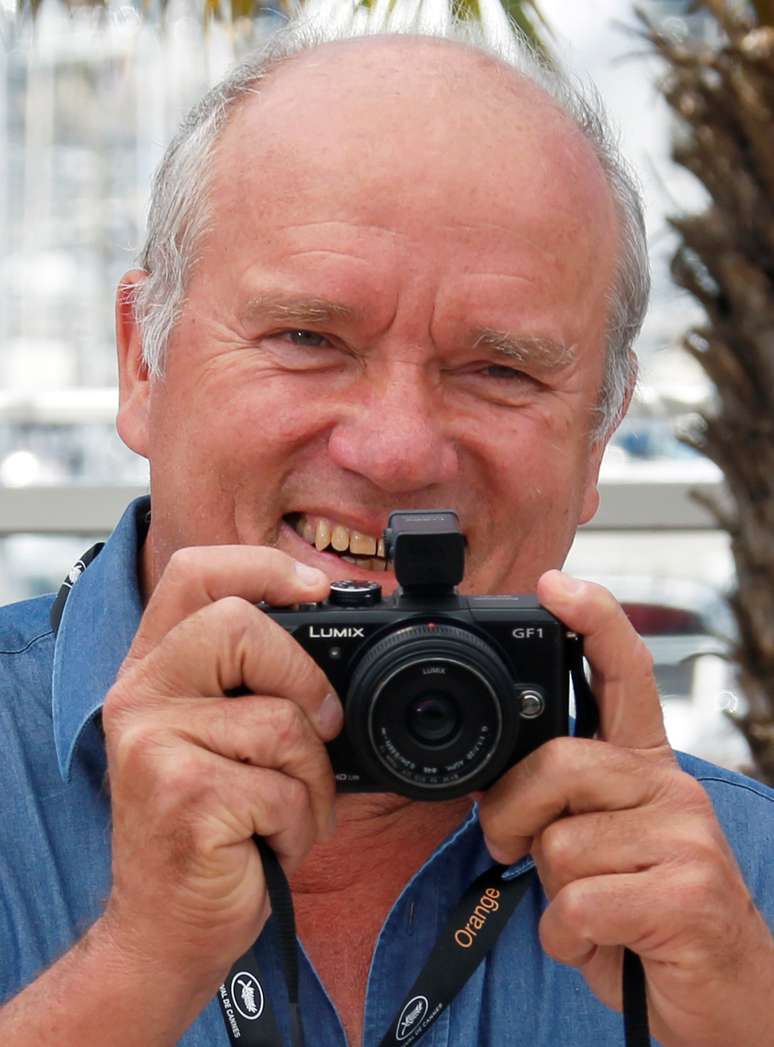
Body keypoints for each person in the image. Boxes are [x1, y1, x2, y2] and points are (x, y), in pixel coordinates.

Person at [1, 4, 772, 1045]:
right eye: (309, 337)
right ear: (145, 361)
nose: (398, 448)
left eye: (499, 369)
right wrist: (140, 967)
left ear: (600, 439)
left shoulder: (731, 900)